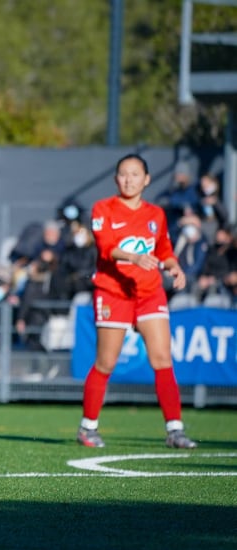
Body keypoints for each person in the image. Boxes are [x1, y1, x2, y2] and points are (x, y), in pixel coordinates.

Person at [78, 154, 197, 449]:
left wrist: (174, 267)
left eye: (135, 174)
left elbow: (164, 250)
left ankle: (175, 430)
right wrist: (134, 257)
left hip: (149, 293)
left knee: (162, 359)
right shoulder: (103, 208)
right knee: (106, 362)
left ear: (147, 179)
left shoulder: (156, 214)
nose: (128, 180)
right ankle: (88, 427)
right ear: (115, 179)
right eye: (123, 174)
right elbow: (106, 248)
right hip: (113, 292)